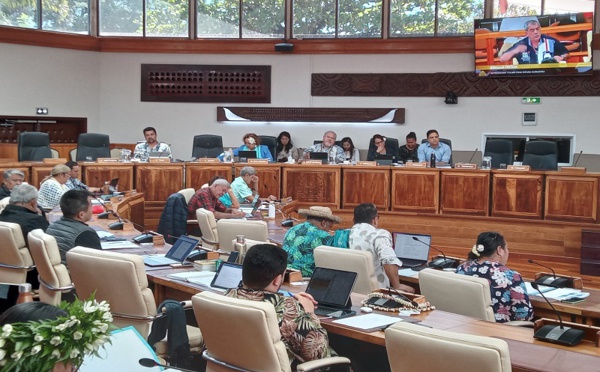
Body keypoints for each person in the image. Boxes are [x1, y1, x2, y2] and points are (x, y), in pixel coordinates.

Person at [226, 244, 336, 366]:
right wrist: (309, 314)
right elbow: (319, 354)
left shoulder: (226, 296)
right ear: (278, 280)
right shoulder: (287, 309)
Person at [456, 231, 534, 323]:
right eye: (507, 248)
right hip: (499, 332)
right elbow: (524, 316)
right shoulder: (511, 276)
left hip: (466, 326)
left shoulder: (462, 268)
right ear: (500, 250)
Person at [349, 203, 415, 293]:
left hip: (349, 291)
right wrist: (397, 286)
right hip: (376, 294)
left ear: (353, 220)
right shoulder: (379, 235)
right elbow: (388, 260)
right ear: (375, 220)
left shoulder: (343, 235)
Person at [46, 189, 102, 264]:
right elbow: (100, 264)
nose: (92, 208)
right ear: (81, 214)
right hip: (75, 274)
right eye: (91, 206)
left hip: (59, 273)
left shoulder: (52, 227)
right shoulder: (85, 234)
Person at [282, 206, 339, 277]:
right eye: (329, 227)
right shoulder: (324, 236)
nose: (328, 231)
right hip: (306, 277)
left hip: (285, 273)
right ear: (323, 223)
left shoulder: (292, 229)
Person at [499, 20, 569, 64]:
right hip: (528, 78)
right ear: (526, 33)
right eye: (532, 30)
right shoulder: (520, 44)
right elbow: (502, 59)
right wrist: (516, 50)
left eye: (537, 29)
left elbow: (567, 54)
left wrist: (561, 57)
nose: (536, 32)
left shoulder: (550, 41)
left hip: (548, 76)